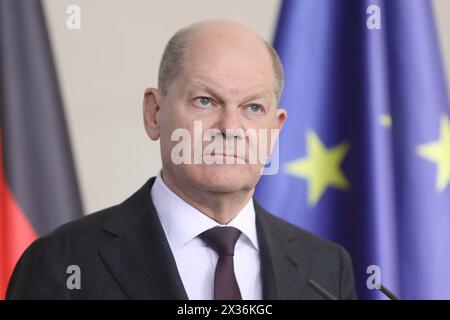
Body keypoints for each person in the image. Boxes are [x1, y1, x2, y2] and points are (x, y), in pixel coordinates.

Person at [6, 19, 357, 300]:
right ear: (154, 112)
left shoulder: (325, 268)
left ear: (275, 129)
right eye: (205, 100)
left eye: (253, 107)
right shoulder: (61, 263)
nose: (230, 127)